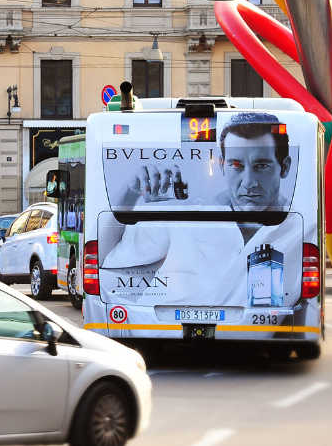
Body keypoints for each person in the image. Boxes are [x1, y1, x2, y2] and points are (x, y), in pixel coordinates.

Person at [101, 112, 306, 307]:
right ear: (221, 165)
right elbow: (105, 264)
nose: (249, 183)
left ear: (285, 167)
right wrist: (128, 193)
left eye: (261, 166)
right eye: (236, 165)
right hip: (159, 336)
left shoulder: (302, 231)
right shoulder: (181, 217)